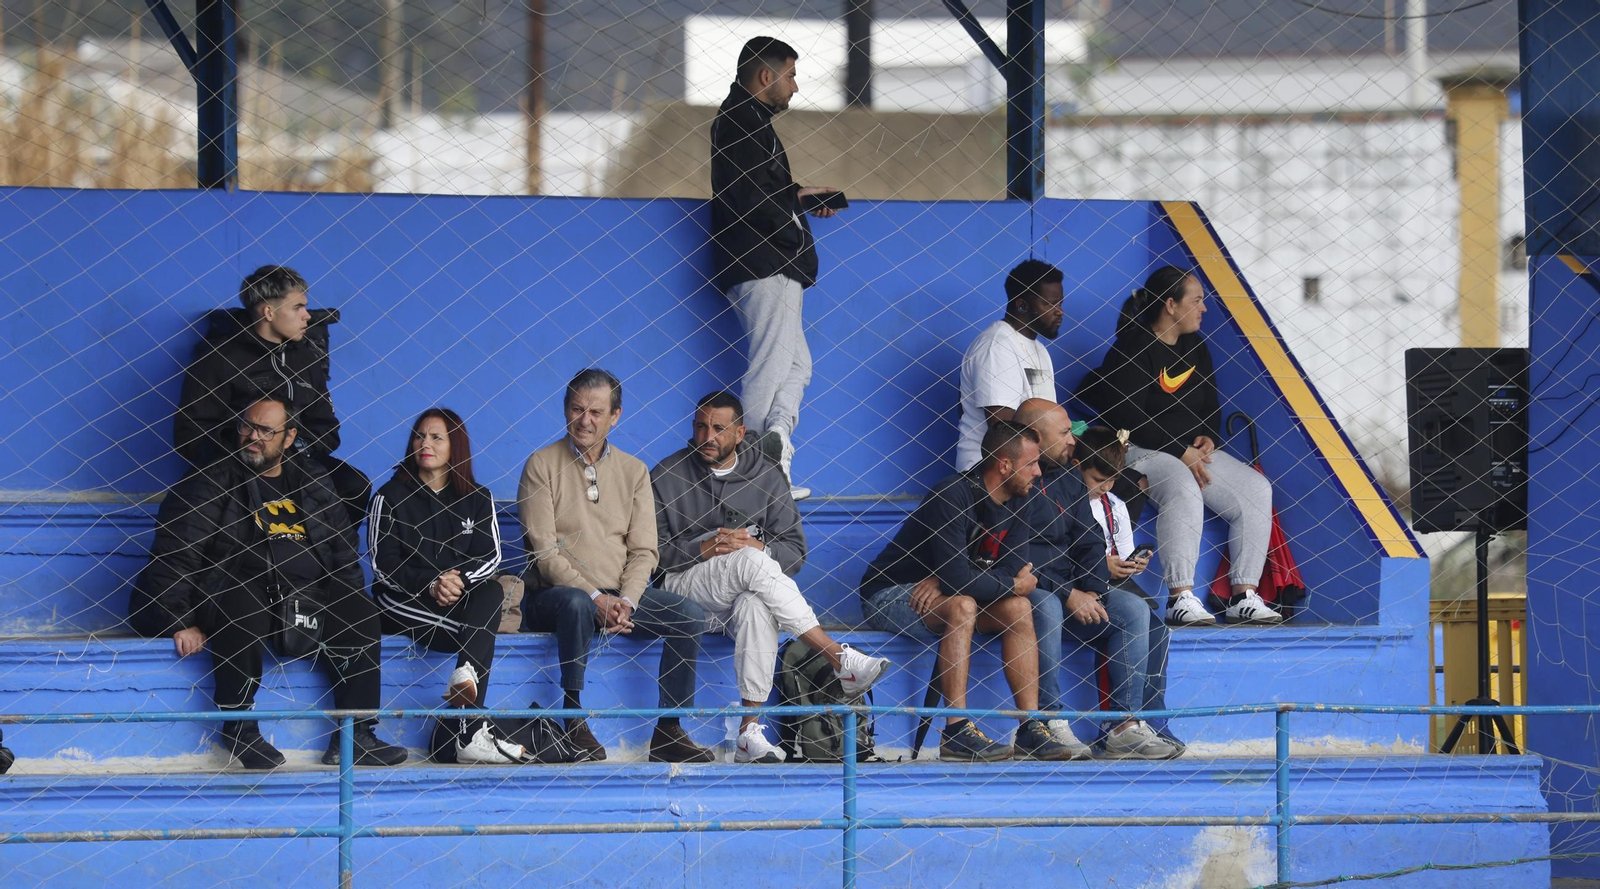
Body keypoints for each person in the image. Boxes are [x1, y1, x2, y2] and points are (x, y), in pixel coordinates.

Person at [129, 394, 406, 770]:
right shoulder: (211, 480)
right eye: (247, 426)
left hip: (307, 595)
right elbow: (177, 552)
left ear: (289, 438)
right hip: (238, 590)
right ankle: (239, 727)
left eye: (265, 431)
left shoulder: (312, 479)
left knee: (359, 611)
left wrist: (348, 601)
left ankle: (356, 734)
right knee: (244, 604)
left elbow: (341, 552)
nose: (252, 437)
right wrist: (177, 619)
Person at [651, 391, 892, 763]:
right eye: (700, 427)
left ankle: (749, 732)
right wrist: (705, 548)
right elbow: (652, 556)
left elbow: (795, 551)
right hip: (684, 589)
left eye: (718, 428)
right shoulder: (666, 474)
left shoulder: (766, 474)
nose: (707, 437)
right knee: (749, 560)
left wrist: (760, 547)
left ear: (741, 432)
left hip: (735, 601)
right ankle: (837, 657)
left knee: (755, 602)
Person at [517, 369, 713, 764]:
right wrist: (594, 598)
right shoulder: (540, 465)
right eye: (576, 409)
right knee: (575, 604)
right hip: (555, 597)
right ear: (565, 409)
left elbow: (645, 551)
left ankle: (669, 728)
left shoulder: (634, 471)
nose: (584, 420)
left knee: (688, 614)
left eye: (595, 411)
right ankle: (573, 716)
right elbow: (544, 552)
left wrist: (626, 600)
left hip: (618, 597)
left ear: (615, 416)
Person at [1077, 266, 1282, 627]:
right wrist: (1180, 450)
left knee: (1255, 489)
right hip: (1139, 450)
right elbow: (1128, 419)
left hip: (1188, 451)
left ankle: (1243, 595)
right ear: (1170, 304)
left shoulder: (1196, 347)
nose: (1204, 308)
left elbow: (1209, 405)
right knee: (1183, 486)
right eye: (1197, 300)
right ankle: (1180, 597)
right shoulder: (1132, 347)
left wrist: (1207, 436)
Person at [859, 421, 1074, 762]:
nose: (1038, 472)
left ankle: (1030, 727)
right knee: (963, 605)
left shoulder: (1023, 500)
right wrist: (957, 578)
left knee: (1018, 608)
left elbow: (1006, 570)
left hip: (953, 595)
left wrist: (954, 577)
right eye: (1031, 464)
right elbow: (982, 580)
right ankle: (956, 731)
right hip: (891, 593)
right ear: (1004, 464)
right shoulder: (952, 494)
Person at [710, 36, 844, 501]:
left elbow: (760, 192)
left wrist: (800, 197)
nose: (795, 87)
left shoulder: (750, 123)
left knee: (796, 364)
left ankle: (774, 451)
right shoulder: (740, 121)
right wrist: (795, 211)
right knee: (769, 366)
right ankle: (742, 472)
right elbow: (748, 200)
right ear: (767, 76)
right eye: (790, 75)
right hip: (763, 262)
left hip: (774, 261)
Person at [1017, 406, 1180, 760]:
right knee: (1044, 603)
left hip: (1074, 586)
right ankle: (1050, 721)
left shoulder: (1068, 479)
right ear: (1034, 438)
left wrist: (1092, 588)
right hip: (1035, 587)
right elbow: (1017, 553)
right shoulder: (1016, 481)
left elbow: (1090, 541)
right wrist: (1069, 593)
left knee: (1135, 609)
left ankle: (1123, 725)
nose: (1072, 439)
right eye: (1063, 433)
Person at [370, 408, 527, 764]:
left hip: (457, 601)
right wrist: (431, 583)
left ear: (455, 445)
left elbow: (491, 556)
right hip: (403, 604)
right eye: (419, 436)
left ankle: (456, 733)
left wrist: (459, 580)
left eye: (436, 437)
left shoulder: (476, 497)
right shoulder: (389, 496)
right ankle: (463, 732)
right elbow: (382, 565)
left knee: (490, 591)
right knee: (479, 632)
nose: (425, 443)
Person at [174, 265, 370, 531]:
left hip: (298, 465)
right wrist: (247, 451)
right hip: (240, 465)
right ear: (269, 312)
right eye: (297, 307)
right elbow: (189, 433)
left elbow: (327, 428)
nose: (307, 316)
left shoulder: (306, 360)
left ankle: (327, 567)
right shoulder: (219, 358)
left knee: (354, 485)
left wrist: (293, 448)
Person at [956, 260, 1065, 473]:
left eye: (1060, 304)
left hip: (1031, 469)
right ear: (1022, 305)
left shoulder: (1040, 350)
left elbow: (1048, 422)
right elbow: (1004, 431)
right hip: (990, 473)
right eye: (1050, 304)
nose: (1059, 312)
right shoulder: (996, 346)